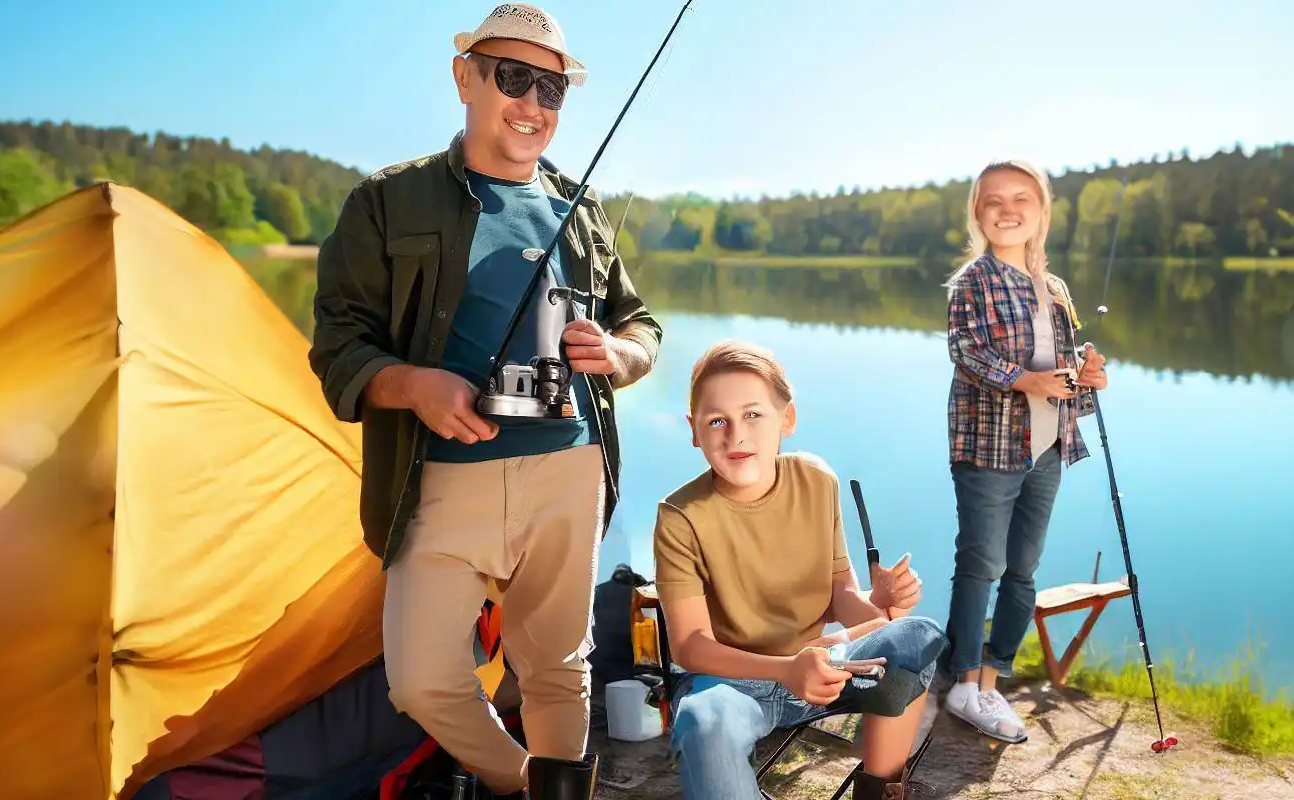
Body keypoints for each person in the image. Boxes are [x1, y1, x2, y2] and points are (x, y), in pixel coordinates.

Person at [306, 4, 663, 798]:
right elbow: (338, 344)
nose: (533, 103)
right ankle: (525, 782)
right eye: (512, 78)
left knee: (558, 670)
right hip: (441, 474)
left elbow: (639, 323)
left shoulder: (585, 207)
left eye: (553, 87)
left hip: (569, 470)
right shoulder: (387, 201)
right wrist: (415, 386)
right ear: (464, 76)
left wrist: (620, 354)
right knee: (423, 680)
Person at [653, 340, 944, 800]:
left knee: (917, 634)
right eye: (716, 421)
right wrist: (786, 669)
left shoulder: (816, 480)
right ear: (694, 430)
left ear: (786, 418)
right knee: (701, 721)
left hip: (821, 665)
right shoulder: (680, 515)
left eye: (752, 415)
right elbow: (689, 647)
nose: (736, 435)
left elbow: (840, 594)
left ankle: (880, 790)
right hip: (730, 683)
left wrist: (879, 604)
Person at [939, 160, 1109, 743]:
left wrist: (1087, 375)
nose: (1007, 209)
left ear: (1041, 213)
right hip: (988, 448)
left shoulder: (1054, 288)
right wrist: (1027, 380)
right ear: (977, 213)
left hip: (1047, 448)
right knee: (980, 564)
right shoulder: (973, 280)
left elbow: (1061, 367)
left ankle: (990, 677)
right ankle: (962, 682)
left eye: (1021, 199)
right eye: (993, 200)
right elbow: (965, 351)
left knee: (1023, 570)